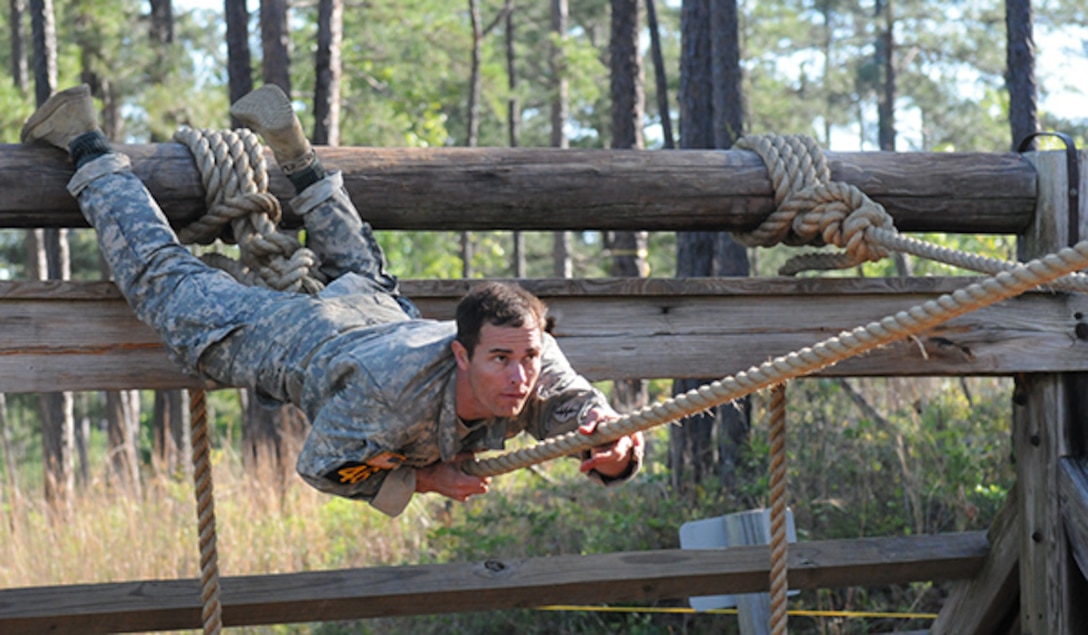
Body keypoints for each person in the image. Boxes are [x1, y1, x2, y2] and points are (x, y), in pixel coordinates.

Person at [22, 84, 644, 517]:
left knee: (365, 270)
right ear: (462, 355)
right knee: (162, 282)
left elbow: (579, 416)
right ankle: (82, 136)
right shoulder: (388, 398)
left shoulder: (534, 356)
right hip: (301, 335)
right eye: (500, 362)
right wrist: (423, 478)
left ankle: (297, 155)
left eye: (528, 359)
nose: (520, 377)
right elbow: (322, 465)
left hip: (379, 315)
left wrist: (613, 449)